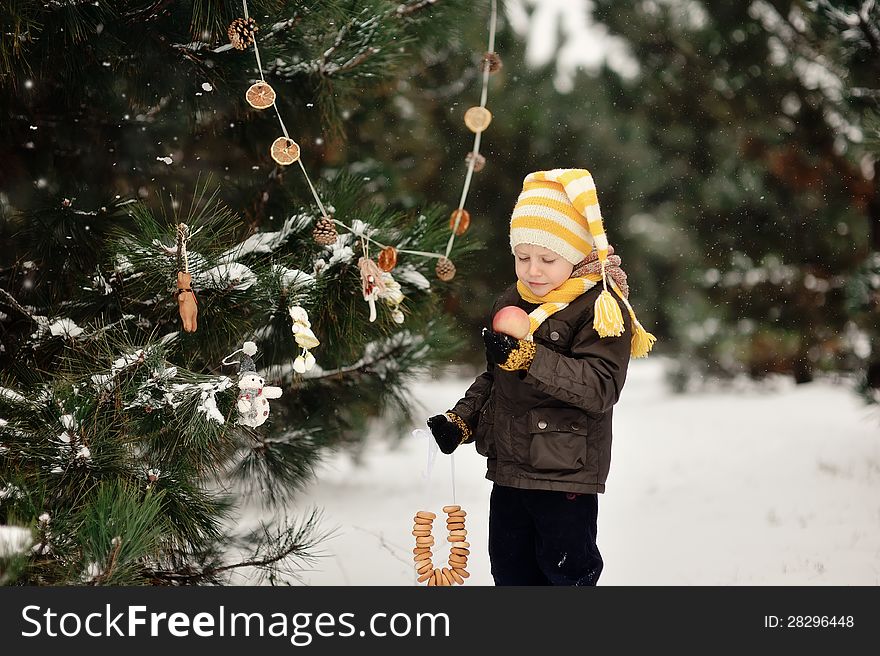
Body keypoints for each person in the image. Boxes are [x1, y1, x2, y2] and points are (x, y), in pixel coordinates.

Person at [427, 168, 655, 586]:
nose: (532, 270)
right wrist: (462, 420)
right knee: (511, 570)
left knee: (565, 573)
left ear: (575, 253)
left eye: (548, 259)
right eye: (522, 256)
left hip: (564, 473)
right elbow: (495, 378)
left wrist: (529, 359)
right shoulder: (512, 300)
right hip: (510, 471)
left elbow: (600, 386)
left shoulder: (601, 307)